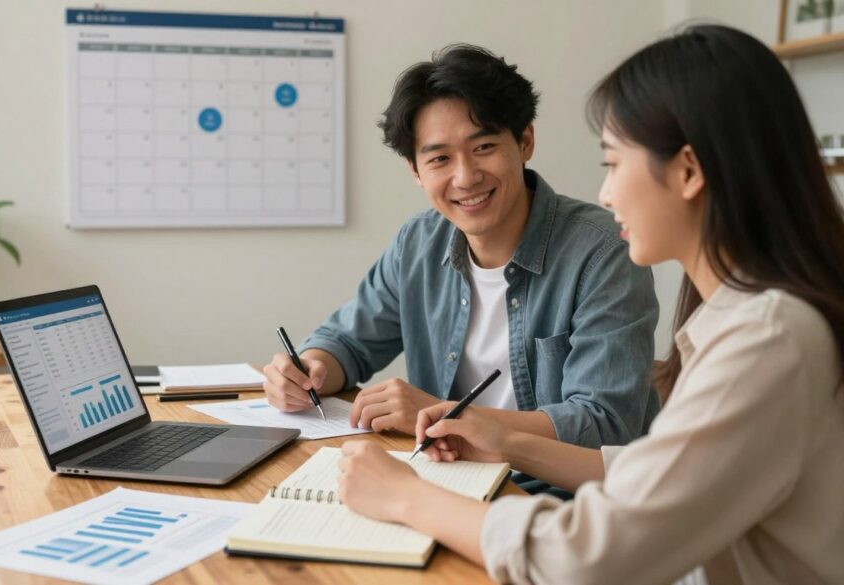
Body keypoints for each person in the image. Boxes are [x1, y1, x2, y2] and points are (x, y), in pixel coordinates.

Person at [335, 25, 844, 584]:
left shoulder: (766, 339)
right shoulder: (750, 316)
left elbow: (588, 558)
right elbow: (660, 473)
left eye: (613, 163)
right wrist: (503, 439)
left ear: (690, 171)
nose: (605, 193)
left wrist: (407, 498)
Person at [263, 45, 659, 452]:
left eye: (484, 147)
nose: (466, 177)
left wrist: (442, 413)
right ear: (416, 171)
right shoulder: (417, 243)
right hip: (450, 477)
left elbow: (605, 424)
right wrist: (309, 370)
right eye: (439, 159)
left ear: (525, 142)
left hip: (556, 497)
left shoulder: (604, 251)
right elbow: (347, 342)